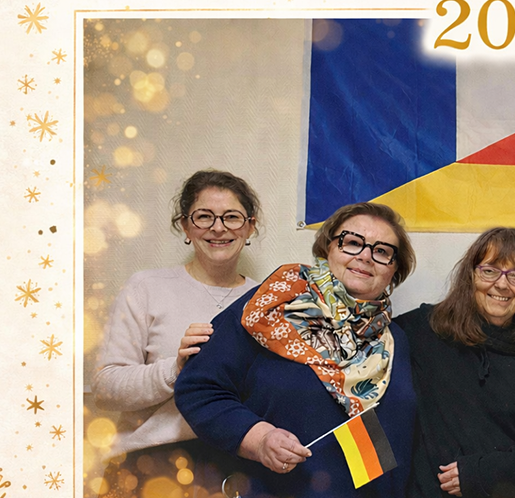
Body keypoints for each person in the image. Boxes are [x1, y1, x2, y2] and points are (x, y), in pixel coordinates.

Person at [175, 202, 418, 497]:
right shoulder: (271, 306)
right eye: (352, 243)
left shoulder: (395, 341)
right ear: (328, 248)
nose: (365, 256)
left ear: (394, 270)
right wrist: (259, 439)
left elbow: (393, 438)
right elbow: (199, 388)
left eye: (382, 251)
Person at [92, 170, 262, 496]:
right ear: (185, 226)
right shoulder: (146, 287)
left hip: (234, 469)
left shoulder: (266, 301)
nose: (218, 227)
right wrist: (176, 369)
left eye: (231, 217)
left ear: (250, 226)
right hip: (148, 464)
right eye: (204, 216)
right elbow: (105, 389)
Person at [395, 227, 515, 498]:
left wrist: (484, 474)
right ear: (470, 275)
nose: (502, 285)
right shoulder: (423, 330)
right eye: (489, 271)